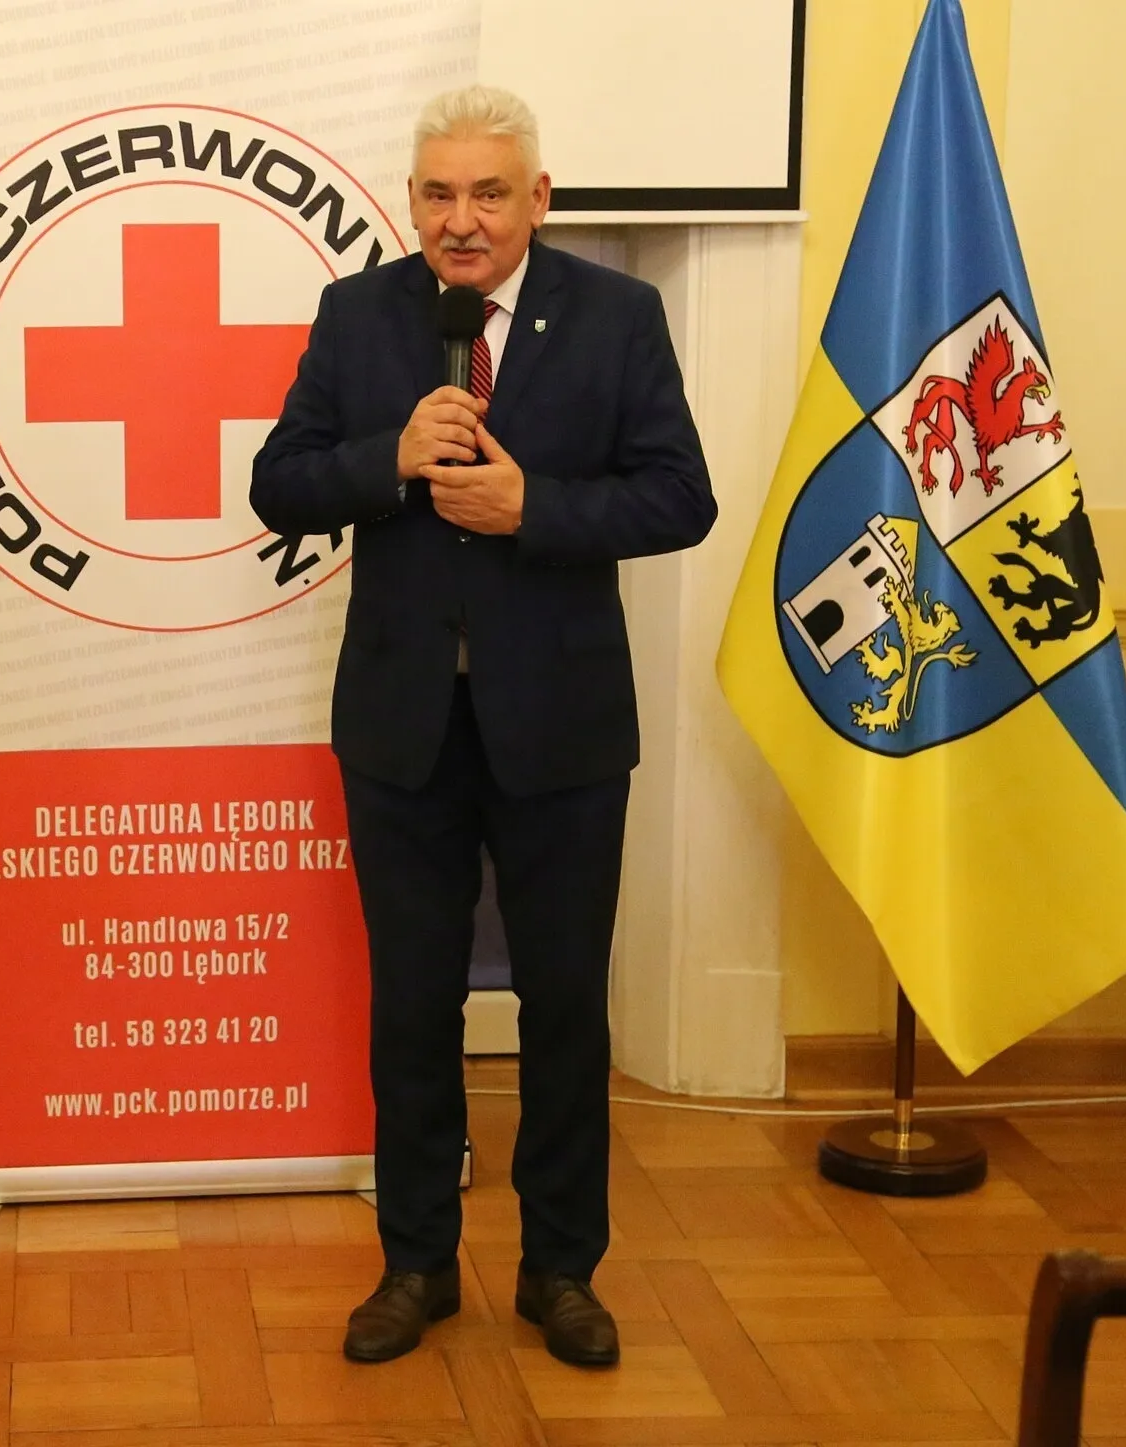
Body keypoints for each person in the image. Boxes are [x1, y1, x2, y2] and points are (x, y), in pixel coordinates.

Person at [252, 86, 715, 1369]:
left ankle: (561, 1269)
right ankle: (414, 1263)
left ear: (538, 200)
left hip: (564, 728)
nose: (462, 220)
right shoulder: (360, 315)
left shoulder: (618, 315)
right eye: (439, 194)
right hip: (403, 727)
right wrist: (389, 456)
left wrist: (536, 509)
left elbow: (680, 497)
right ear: (413, 202)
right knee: (412, 1006)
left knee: (565, 1007)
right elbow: (279, 483)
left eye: (489, 193)